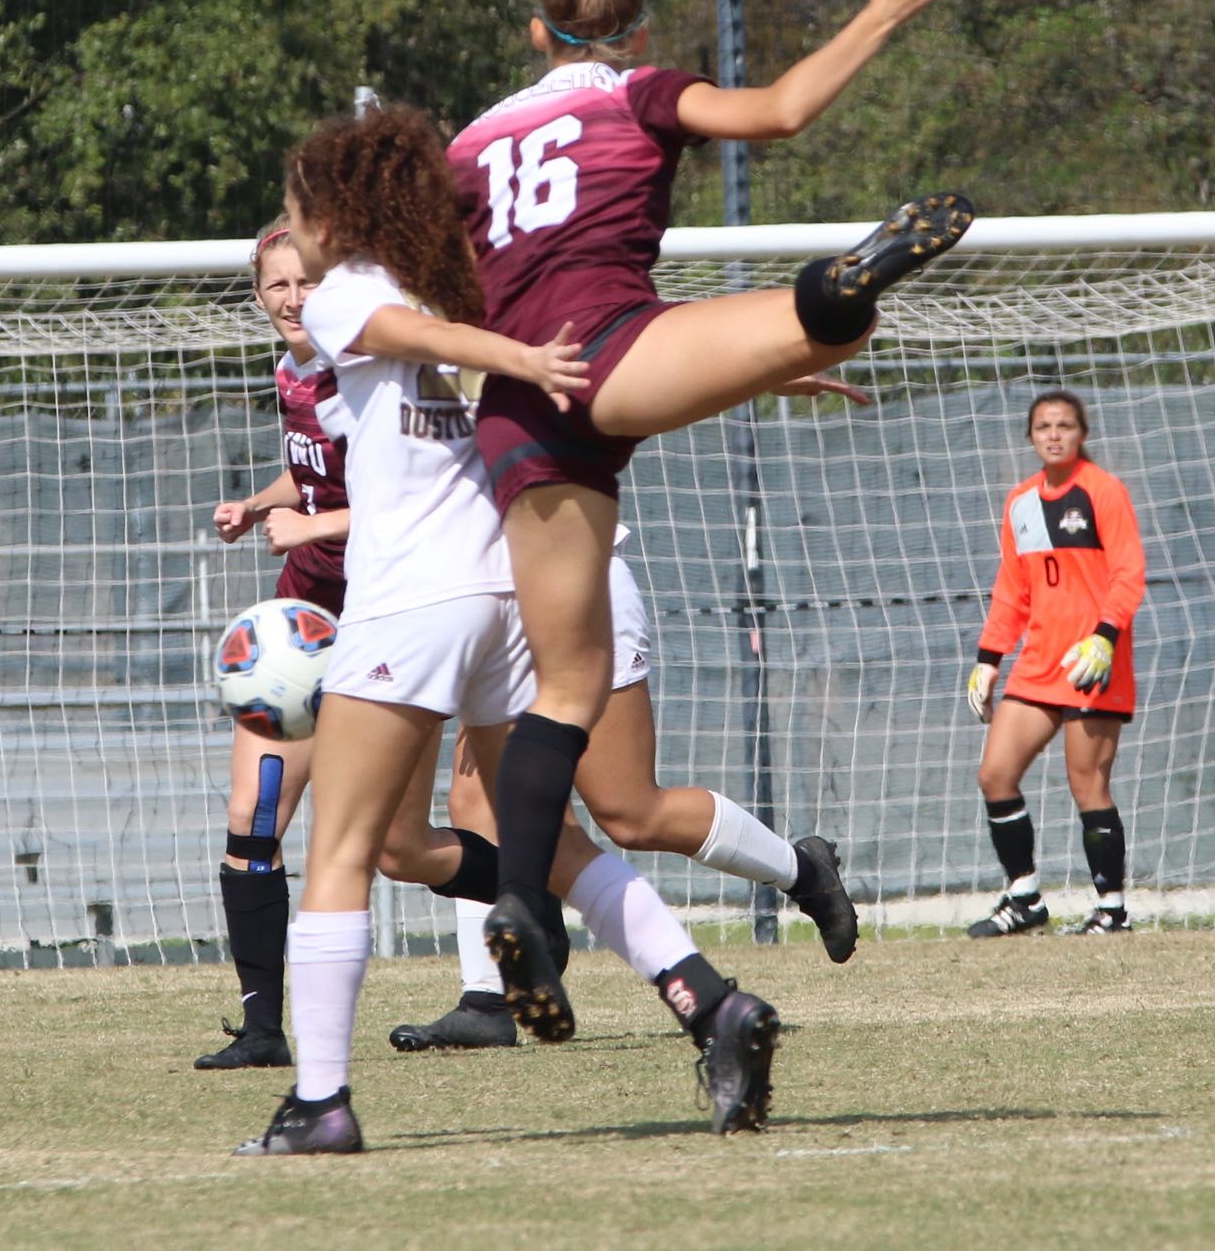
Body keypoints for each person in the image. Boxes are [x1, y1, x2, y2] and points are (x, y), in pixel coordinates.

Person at [447, 0, 971, 1030]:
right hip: (626, 353)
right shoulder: (639, 94)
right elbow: (780, 112)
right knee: (809, 324)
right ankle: (828, 308)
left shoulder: (469, 147)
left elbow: (441, 293)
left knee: (561, 689)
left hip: (522, 400)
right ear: (629, 28)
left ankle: (522, 906)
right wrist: (880, 11)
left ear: (534, 32)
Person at [235, 105, 781, 1155]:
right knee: (546, 842)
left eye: (301, 208)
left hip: (413, 600)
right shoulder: (481, 277)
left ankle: (319, 1100)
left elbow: (422, 338)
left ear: (338, 215)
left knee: (340, 850)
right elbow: (610, 354)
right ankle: (709, 1001)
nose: (293, 233)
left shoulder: (359, 290)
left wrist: (520, 360)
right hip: (504, 601)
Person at [391, 511, 864, 1052]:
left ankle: (803, 871)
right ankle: (489, 1000)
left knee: (630, 812)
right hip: (489, 603)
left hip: (576, 587)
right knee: (478, 798)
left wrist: (320, 522)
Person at [193, 221, 353, 1071]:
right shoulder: (293, 369)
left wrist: (310, 526)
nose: (293, 301)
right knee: (252, 818)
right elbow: (315, 468)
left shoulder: (368, 370)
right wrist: (260, 506)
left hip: (383, 617)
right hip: (303, 623)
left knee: (392, 844)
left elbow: (410, 502)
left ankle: (537, 915)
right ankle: (261, 1031)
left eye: (308, 283)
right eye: (276, 287)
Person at [963, 391, 1147, 936]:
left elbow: (1128, 574)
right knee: (995, 774)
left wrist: (1105, 637)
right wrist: (988, 658)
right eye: (1043, 425)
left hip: (1092, 661)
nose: (1054, 433)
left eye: (1065, 424)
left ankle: (1111, 911)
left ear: (1082, 434)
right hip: (1038, 662)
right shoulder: (1020, 501)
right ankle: (1024, 900)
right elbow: (1012, 590)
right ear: (1031, 436)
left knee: (1086, 784)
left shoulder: (1103, 492)